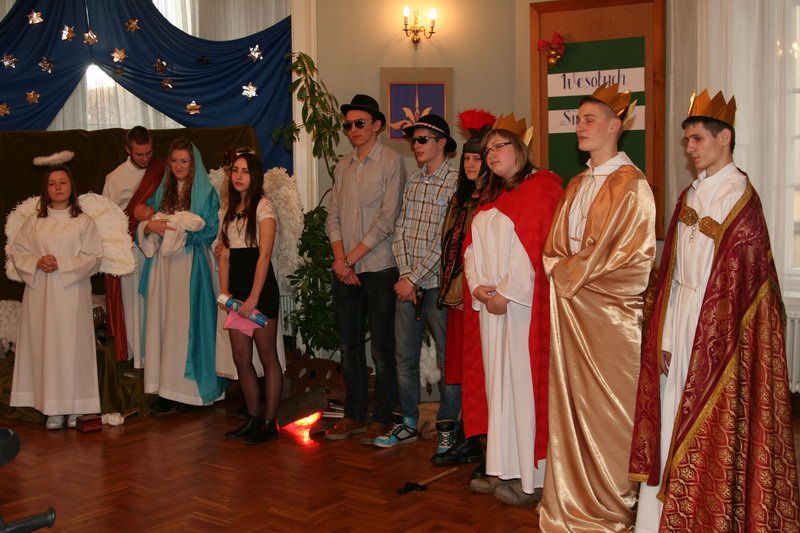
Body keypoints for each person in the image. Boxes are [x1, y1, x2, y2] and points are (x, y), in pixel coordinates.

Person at [630, 90, 800, 531]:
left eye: (698, 139)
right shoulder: (690, 194)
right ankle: (659, 520)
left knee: (708, 419)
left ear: (724, 138)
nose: (690, 148)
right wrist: (666, 336)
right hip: (682, 315)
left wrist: (712, 333)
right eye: (687, 140)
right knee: (671, 413)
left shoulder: (740, 196)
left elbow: (745, 283)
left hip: (720, 330)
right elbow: (670, 274)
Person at [539, 84, 656, 530]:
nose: (580, 127)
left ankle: (612, 503)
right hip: (572, 314)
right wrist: (564, 272)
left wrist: (570, 277)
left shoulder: (632, 185)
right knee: (572, 406)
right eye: (578, 120)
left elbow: (631, 260)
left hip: (610, 320)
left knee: (610, 410)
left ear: (615, 126)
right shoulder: (576, 183)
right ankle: (572, 499)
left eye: (590, 119)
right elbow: (553, 248)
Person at [461, 127, 562, 506]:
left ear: (520, 148)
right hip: (492, 309)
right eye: (487, 150)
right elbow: (472, 248)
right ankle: (503, 466)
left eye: (498, 147)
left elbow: (538, 248)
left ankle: (531, 477)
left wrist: (506, 293)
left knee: (523, 388)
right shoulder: (493, 195)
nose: (490, 155)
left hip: (523, 310)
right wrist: (477, 287)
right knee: (498, 389)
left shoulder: (542, 188)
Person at [373, 113, 459, 448]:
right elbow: (401, 231)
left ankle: (448, 426)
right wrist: (407, 276)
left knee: (447, 360)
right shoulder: (413, 182)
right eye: (414, 140)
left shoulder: (455, 183)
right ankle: (406, 420)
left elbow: (446, 239)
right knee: (403, 357)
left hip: (437, 286)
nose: (416, 146)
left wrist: (416, 277)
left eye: (423, 140)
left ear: (442, 144)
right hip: (408, 284)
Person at [324, 94, 405, 442]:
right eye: (348, 125)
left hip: (379, 268)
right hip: (346, 268)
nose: (353, 130)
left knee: (382, 349)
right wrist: (341, 259)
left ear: (377, 125)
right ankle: (354, 415)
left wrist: (349, 259)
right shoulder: (343, 166)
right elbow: (333, 217)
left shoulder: (392, 162)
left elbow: (387, 220)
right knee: (349, 347)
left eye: (359, 123)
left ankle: (383, 416)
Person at [10, 165, 103, 429]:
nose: (58, 187)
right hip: (41, 295)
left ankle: (75, 406)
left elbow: (94, 257)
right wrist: (37, 262)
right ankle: (52, 408)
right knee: (46, 347)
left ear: (71, 186)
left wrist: (61, 262)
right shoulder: (34, 222)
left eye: (63, 182)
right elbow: (18, 252)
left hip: (72, 294)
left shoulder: (84, 222)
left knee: (72, 348)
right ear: (46, 189)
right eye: (52, 183)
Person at [137, 139, 226, 407]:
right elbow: (146, 218)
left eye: (184, 161)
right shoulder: (161, 190)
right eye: (174, 161)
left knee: (183, 325)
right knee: (163, 322)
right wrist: (151, 227)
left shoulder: (206, 194)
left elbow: (210, 230)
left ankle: (188, 391)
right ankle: (165, 387)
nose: (178, 166)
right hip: (162, 269)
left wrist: (183, 233)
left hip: (189, 265)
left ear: (193, 164)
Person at [430, 109, 494, 466]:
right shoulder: (459, 200)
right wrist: (450, 292)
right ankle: (469, 434)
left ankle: (487, 442)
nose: (471, 165)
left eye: (477, 159)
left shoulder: (492, 201)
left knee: (482, 369)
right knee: (463, 369)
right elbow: (448, 249)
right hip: (458, 298)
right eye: (467, 159)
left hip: (479, 298)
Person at [218, 153, 283, 444]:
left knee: (267, 356)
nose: (238, 176)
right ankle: (253, 417)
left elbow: (264, 256)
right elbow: (224, 254)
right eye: (235, 170)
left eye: (245, 171)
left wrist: (254, 298)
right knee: (240, 357)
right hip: (237, 293)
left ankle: (270, 422)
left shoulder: (264, 206)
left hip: (260, 291)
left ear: (255, 175)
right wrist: (225, 293)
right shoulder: (228, 208)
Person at [103, 126, 165, 368]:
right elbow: (106, 221)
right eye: (140, 154)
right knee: (135, 305)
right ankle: (137, 358)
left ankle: (159, 356)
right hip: (131, 251)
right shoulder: (115, 178)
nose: (146, 158)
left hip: (159, 247)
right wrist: (134, 215)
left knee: (156, 303)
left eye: (149, 152)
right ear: (128, 150)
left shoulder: (161, 169)